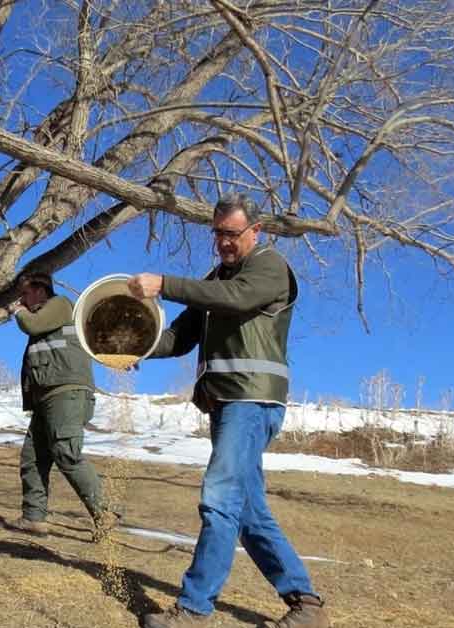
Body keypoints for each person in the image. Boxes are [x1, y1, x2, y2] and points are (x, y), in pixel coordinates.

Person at [128, 195, 329, 628]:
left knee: (219, 499)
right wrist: (136, 344)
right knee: (249, 511)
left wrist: (164, 282)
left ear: (256, 232)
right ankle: (307, 606)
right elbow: (179, 338)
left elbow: (236, 299)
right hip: (226, 405)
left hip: (252, 402)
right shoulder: (214, 281)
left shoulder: (269, 268)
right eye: (217, 233)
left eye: (231, 234)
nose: (222, 242)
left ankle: (194, 609)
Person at [1, 271, 119, 542]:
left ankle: (106, 513)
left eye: (25, 293)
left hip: (65, 393)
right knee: (33, 458)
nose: (22, 300)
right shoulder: (46, 316)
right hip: (46, 397)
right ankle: (33, 518)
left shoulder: (60, 305)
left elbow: (32, 324)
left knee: (66, 452)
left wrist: (18, 312)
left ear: (41, 290)